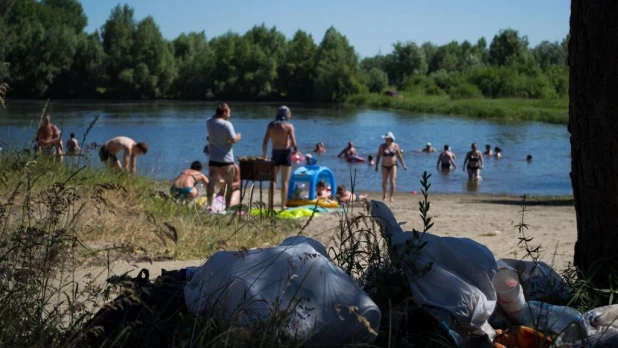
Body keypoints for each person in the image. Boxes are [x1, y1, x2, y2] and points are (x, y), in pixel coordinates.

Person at [262, 105, 298, 210]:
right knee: (284, 181)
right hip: (286, 153)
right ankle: (283, 205)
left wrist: (264, 154)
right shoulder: (289, 126)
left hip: (275, 153)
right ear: (287, 114)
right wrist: (296, 148)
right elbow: (293, 141)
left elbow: (265, 142)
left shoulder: (271, 126)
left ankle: (270, 205)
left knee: (273, 180)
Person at [206, 103, 241, 210]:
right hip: (226, 159)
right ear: (225, 112)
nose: (230, 115)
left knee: (211, 182)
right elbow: (233, 140)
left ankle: (209, 205)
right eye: (229, 112)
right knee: (229, 184)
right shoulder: (227, 124)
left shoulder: (209, 122)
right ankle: (227, 207)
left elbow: (212, 117)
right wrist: (238, 136)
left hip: (213, 159)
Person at [375, 132, 407, 202]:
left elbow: (399, 156)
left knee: (392, 181)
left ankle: (391, 197)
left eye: (387, 138)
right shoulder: (382, 146)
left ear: (391, 139)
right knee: (384, 181)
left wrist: (403, 165)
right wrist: (376, 165)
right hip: (384, 166)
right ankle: (384, 194)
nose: (385, 140)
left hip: (393, 165)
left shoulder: (395, 146)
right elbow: (378, 156)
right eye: (385, 139)